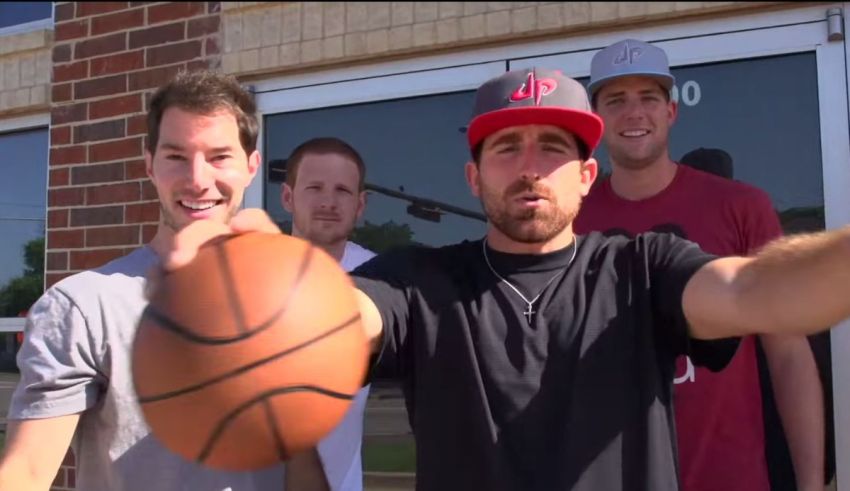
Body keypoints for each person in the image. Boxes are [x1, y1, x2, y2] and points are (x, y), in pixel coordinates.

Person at [156, 67, 850, 491]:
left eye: (552, 146)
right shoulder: (422, 280)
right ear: (472, 174)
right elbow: (342, 317)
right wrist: (273, 293)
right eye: (505, 146)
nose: (528, 165)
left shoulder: (643, 266)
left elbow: (754, 290)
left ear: (585, 176)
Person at [0, 71, 326, 491]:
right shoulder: (85, 306)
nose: (197, 179)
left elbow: (299, 465)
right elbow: (25, 472)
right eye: (176, 156)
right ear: (149, 165)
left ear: (251, 167)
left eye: (218, 157)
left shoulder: (287, 302)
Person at [574, 38, 826, 491]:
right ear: (595, 121)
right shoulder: (572, 216)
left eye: (648, 98)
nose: (634, 113)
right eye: (616, 100)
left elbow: (787, 353)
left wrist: (811, 483)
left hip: (728, 478)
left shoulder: (742, 207)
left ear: (671, 111)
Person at [280, 137, 376, 491]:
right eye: (315, 188)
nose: (328, 202)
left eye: (342, 191)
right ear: (287, 197)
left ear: (360, 204)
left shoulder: (380, 277)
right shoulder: (251, 273)